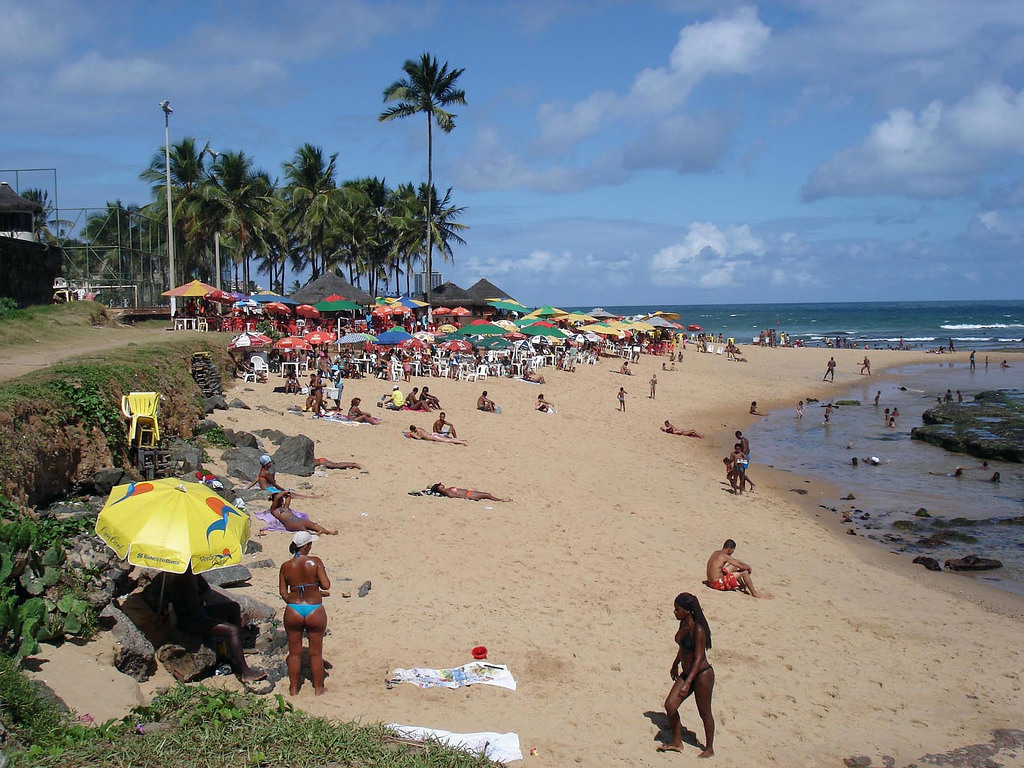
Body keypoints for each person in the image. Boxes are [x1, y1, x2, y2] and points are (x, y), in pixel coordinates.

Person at [168, 566, 267, 683]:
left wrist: (200, 587)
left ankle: (239, 647)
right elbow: (193, 607)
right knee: (232, 630)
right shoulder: (181, 580)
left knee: (233, 607)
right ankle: (245, 671)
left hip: (200, 611)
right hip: (190, 620)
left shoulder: (193, 575)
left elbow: (205, 589)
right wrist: (198, 595)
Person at [659, 593, 715, 757]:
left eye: (678, 609)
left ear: (688, 611)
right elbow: (683, 648)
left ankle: (709, 748)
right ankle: (677, 742)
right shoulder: (683, 624)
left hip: (702, 675)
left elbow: (698, 658)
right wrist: (675, 663)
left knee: (704, 712)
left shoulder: (698, 629)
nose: (674, 612)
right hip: (687, 672)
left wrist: (688, 682)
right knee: (670, 705)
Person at [279, 531, 330, 695]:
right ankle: (318, 688)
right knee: (316, 654)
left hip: (294, 609)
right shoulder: (315, 562)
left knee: (294, 653)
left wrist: (295, 599)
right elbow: (326, 585)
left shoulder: (286, 566)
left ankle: (294, 689)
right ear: (307, 546)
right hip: (314, 608)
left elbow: (283, 593)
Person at [429, 483, 511, 502]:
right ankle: (500, 500)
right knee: (487, 495)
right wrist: (470, 498)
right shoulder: (447, 492)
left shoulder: (447, 489)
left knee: (486, 494)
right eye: (439, 485)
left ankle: (499, 500)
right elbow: (456, 496)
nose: (441, 484)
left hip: (469, 492)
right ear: (438, 488)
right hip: (469, 494)